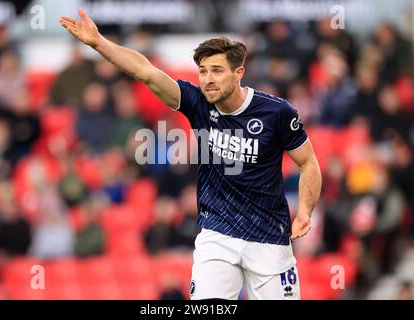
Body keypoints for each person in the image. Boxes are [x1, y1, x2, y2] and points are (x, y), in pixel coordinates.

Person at [60, 9, 322, 300]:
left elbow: (308, 163)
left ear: (239, 74)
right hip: (217, 236)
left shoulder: (277, 112)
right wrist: (99, 43)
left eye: (217, 71)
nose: (208, 79)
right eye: (203, 71)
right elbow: (145, 71)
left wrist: (306, 211)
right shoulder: (197, 102)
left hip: (269, 237)